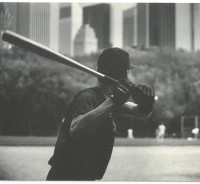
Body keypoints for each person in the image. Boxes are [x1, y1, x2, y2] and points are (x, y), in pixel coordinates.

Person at [46, 47, 156, 181]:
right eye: (126, 71)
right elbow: (76, 129)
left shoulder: (108, 102)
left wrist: (147, 105)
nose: (128, 76)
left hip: (86, 177)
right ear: (121, 73)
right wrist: (114, 100)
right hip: (66, 176)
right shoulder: (88, 97)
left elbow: (140, 114)